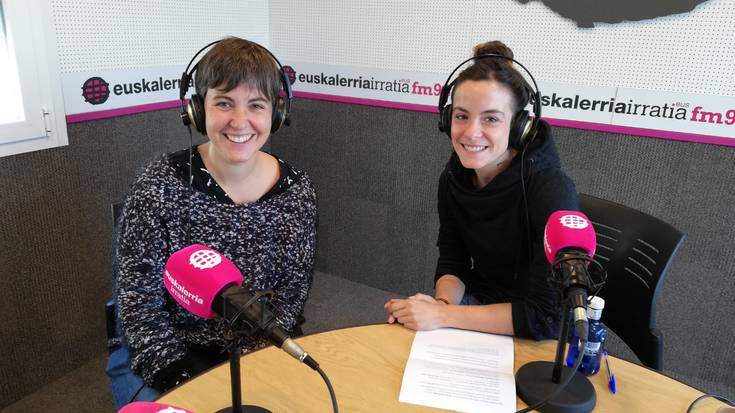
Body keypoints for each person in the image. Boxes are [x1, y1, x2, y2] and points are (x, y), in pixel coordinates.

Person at [106, 37, 317, 410]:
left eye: (256, 105)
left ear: (276, 114)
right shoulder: (158, 185)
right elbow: (138, 303)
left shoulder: (297, 192)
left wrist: (253, 366)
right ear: (197, 109)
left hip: (260, 346)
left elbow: (291, 295)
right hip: (168, 352)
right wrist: (187, 379)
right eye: (224, 103)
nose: (239, 121)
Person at [384, 40, 578, 340]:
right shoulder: (454, 177)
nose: (471, 132)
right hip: (480, 306)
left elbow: (546, 318)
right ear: (447, 119)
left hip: (538, 329)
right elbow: (454, 259)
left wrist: (443, 316)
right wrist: (441, 305)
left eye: (491, 118)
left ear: (520, 127)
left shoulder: (551, 189)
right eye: (461, 116)